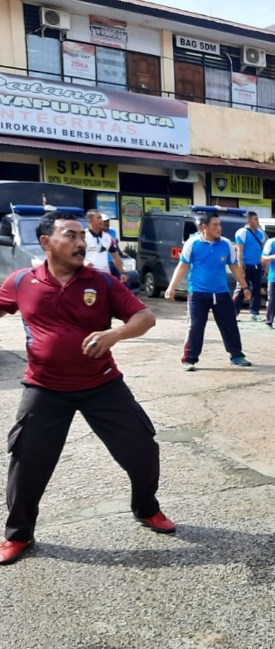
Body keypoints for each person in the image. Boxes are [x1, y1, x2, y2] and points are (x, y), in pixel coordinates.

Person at [0, 212, 174, 565]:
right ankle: (19, 534)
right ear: (46, 242)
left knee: (142, 449)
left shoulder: (102, 282)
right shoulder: (21, 282)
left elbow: (145, 317)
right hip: (44, 388)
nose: (81, 243)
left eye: (82, 236)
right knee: (27, 461)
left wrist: (114, 334)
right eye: (71, 235)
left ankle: (146, 508)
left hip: (102, 384)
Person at [165, 212, 253, 370]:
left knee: (230, 325)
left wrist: (245, 287)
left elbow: (234, 267)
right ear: (204, 227)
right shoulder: (193, 244)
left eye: (220, 225)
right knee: (195, 326)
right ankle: (189, 359)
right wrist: (171, 287)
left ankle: (236, 355)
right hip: (198, 293)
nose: (219, 228)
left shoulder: (226, 244)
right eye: (215, 225)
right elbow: (183, 266)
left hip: (221, 293)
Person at [232, 211, 266, 320]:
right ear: (249, 220)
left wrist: (263, 265)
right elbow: (239, 251)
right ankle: (233, 313)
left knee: (256, 289)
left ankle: (254, 313)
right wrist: (240, 265)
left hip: (256, 265)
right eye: (255, 219)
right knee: (241, 289)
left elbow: (262, 250)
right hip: (246, 265)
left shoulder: (260, 233)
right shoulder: (242, 232)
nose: (257, 221)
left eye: (257, 219)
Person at [83, 209, 127, 284]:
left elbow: (115, 256)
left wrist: (122, 272)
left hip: (104, 276)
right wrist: (84, 262)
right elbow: (75, 256)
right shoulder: (83, 236)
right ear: (90, 221)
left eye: (101, 218)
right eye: (98, 218)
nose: (102, 221)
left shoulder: (107, 237)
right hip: (88, 276)